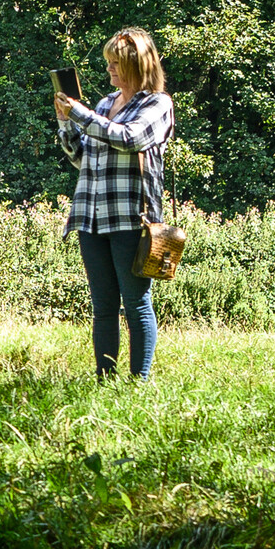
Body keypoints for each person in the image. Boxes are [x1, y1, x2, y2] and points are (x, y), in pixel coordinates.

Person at [54, 27, 174, 381]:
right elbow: (82, 157)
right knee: (103, 308)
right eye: (108, 63)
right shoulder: (106, 104)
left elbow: (130, 138)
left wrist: (81, 115)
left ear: (138, 64)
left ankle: (139, 382)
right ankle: (104, 378)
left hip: (132, 219)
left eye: (116, 63)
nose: (109, 70)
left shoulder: (157, 104)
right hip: (91, 218)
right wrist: (66, 122)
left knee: (136, 304)